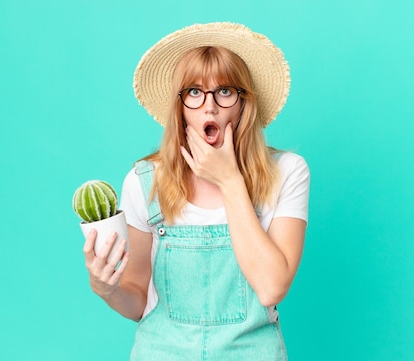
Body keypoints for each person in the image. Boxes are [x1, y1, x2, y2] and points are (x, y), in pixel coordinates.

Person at [83, 22, 310, 360]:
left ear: (243, 102)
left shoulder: (287, 172)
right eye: (194, 92)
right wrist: (107, 289)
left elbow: (272, 287)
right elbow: (138, 300)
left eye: (224, 91)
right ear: (180, 108)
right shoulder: (145, 181)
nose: (209, 107)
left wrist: (230, 181)